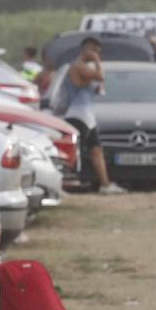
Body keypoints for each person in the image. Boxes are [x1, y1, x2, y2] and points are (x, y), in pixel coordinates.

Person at [55, 37, 124, 195]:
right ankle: (63, 182)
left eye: (98, 52)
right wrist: (97, 61)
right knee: (73, 151)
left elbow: (99, 84)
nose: (97, 54)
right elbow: (100, 77)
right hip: (76, 115)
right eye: (94, 50)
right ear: (85, 49)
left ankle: (105, 184)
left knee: (96, 150)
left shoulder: (87, 68)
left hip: (88, 116)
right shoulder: (78, 66)